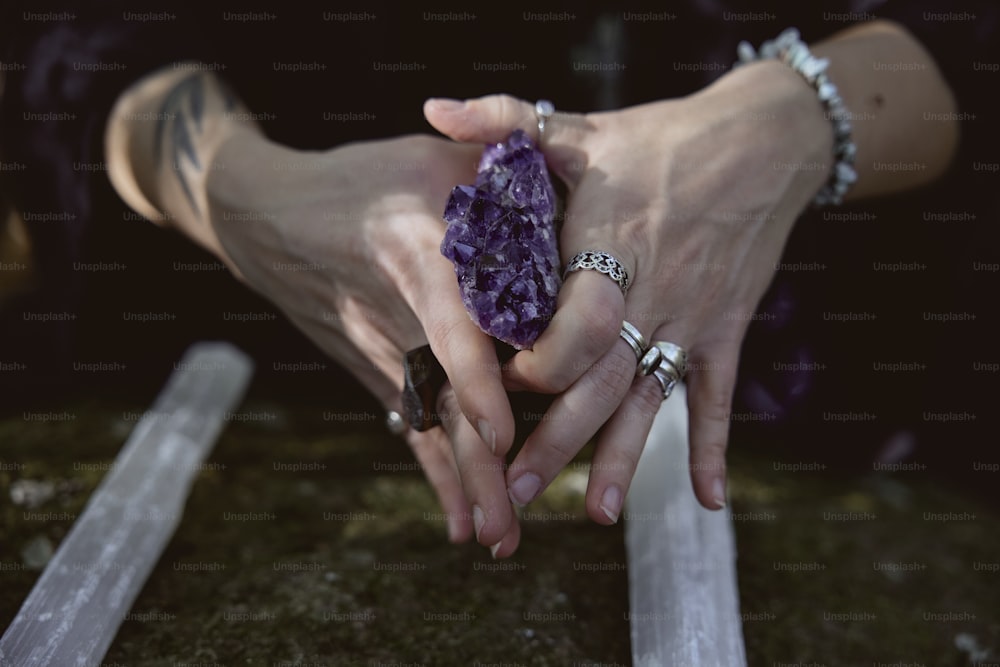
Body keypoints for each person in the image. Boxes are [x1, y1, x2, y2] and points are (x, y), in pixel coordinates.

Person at [3, 4, 996, 560]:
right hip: (297, 365)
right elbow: (61, 49)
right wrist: (236, 186)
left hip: (869, 394)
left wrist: (790, 118)